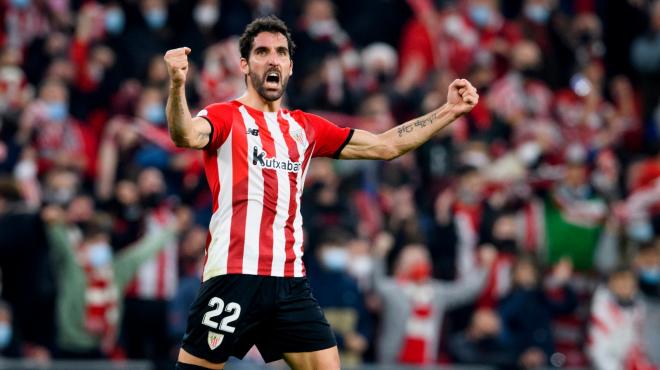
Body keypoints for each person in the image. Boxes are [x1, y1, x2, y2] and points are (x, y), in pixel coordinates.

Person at [164, 15, 479, 370]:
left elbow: (386, 145)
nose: (272, 59)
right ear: (244, 64)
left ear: (290, 66)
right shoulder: (224, 116)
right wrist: (177, 86)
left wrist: (448, 111)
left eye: (280, 52)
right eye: (262, 51)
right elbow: (185, 135)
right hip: (235, 278)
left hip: (289, 283)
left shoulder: (304, 127)